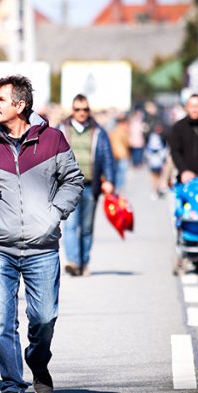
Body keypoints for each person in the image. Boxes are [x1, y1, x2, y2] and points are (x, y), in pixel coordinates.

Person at [0, 75, 84, 393]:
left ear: (20, 105)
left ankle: (38, 359)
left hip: (41, 247)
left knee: (44, 318)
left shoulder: (53, 140)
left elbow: (74, 180)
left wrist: (54, 213)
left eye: (0, 100)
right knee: (2, 322)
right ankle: (12, 387)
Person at [57, 95, 115, 276]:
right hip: (68, 185)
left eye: (85, 110)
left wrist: (110, 181)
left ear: (89, 111)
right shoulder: (62, 129)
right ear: (72, 111)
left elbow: (107, 157)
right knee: (71, 225)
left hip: (91, 185)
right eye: (78, 110)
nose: (81, 113)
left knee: (87, 227)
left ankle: (84, 262)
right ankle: (73, 262)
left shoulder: (98, 131)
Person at [109, 115, 132, 192]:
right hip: (121, 155)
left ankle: (117, 189)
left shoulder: (115, 131)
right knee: (120, 174)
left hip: (116, 155)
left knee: (117, 173)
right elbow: (125, 143)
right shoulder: (121, 131)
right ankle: (118, 190)